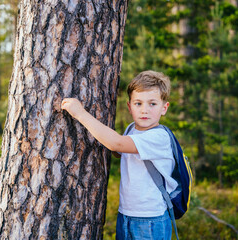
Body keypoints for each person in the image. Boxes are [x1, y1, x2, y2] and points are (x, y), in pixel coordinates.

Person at [61, 70, 177, 240]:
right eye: (138, 103)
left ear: (164, 108)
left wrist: (80, 113)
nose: (145, 110)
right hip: (126, 213)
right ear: (130, 107)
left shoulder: (159, 137)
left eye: (152, 104)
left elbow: (117, 144)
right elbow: (118, 150)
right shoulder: (132, 129)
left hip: (150, 219)